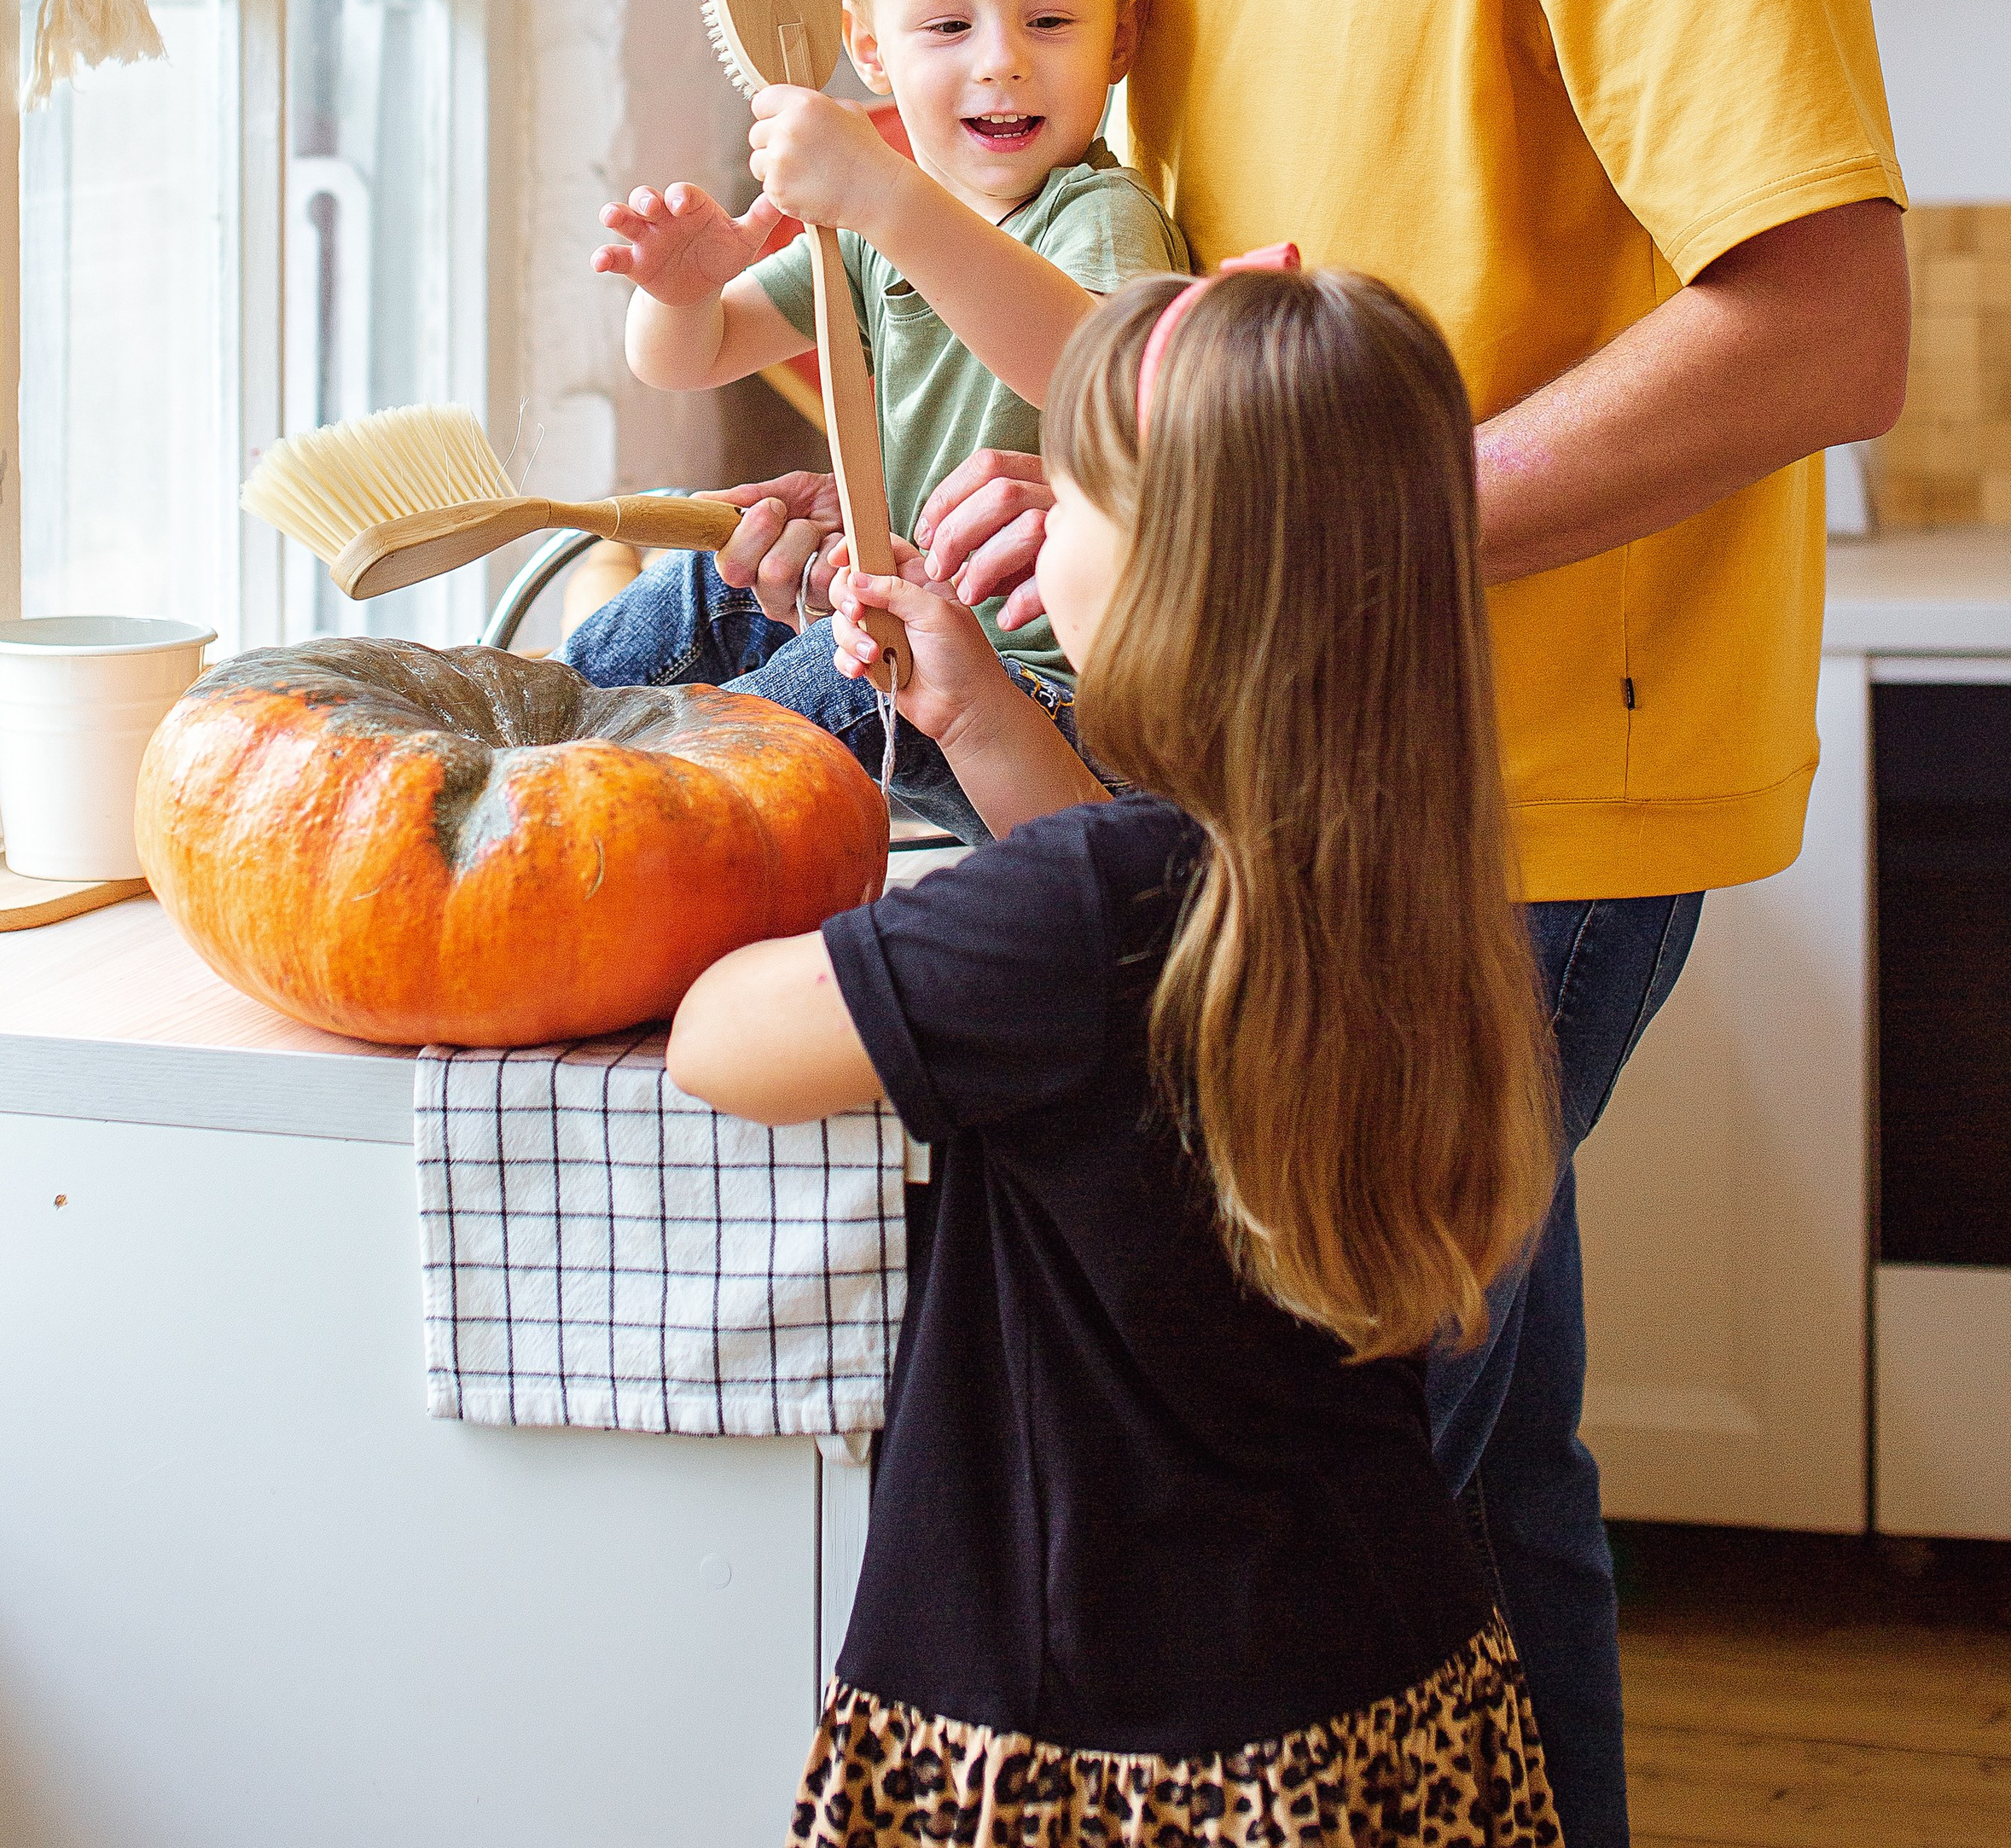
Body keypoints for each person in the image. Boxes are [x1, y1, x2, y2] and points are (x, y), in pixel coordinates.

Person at [849, 0, 1905, 1844]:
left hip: (1516, 778)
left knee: (1344, 1503)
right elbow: (1213, 280)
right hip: (1264, 759)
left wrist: (1280, 527)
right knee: (1460, 1463)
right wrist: (1080, 456)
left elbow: (1819, 327)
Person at [670, 266, 1565, 1848]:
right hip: (1383, 1685)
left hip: (1092, 1735)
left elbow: (720, 1039)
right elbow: (1143, 991)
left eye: (1068, 483)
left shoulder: (1093, 915)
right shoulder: (1382, 875)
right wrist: (991, 726)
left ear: (1171, 576)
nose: (1028, 504)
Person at [567, 0, 1185, 837]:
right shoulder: (864, 230)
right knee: (700, 589)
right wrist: (678, 293)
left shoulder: (1099, 216)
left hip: (1049, 699)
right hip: (903, 634)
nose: (1000, 60)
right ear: (871, 51)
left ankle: (607, 831)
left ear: (1120, 38)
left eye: (1048, 20)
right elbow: (693, 356)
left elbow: (1106, 387)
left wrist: (887, 198)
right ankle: (515, 737)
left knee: (779, 715)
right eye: (948, 26)